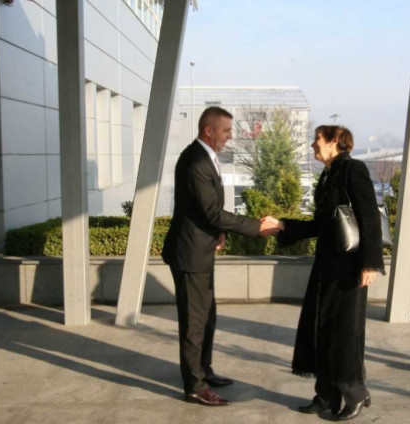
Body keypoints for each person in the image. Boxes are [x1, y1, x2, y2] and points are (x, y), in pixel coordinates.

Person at [162, 106, 280, 406]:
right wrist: (256, 227)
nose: (230, 136)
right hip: (189, 254)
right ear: (208, 130)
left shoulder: (205, 157)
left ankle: (203, 370)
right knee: (194, 322)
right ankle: (195, 387)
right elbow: (212, 211)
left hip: (200, 250)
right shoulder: (195, 161)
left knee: (207, 316)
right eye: (226, 130)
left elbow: (204, 211)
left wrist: (219, 232)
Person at [277, 125, 383, 421]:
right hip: (326, 267)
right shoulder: (328, 175)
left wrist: (370, 263)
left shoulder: (353, 169)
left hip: (349, 269)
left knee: (344, 333)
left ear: (334, 142)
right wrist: (284, 226)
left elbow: (369, 217)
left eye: (317, 139)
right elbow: (320, 225)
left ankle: (355, 393)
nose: (313, 144)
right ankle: (326, 395)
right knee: (322, 329)